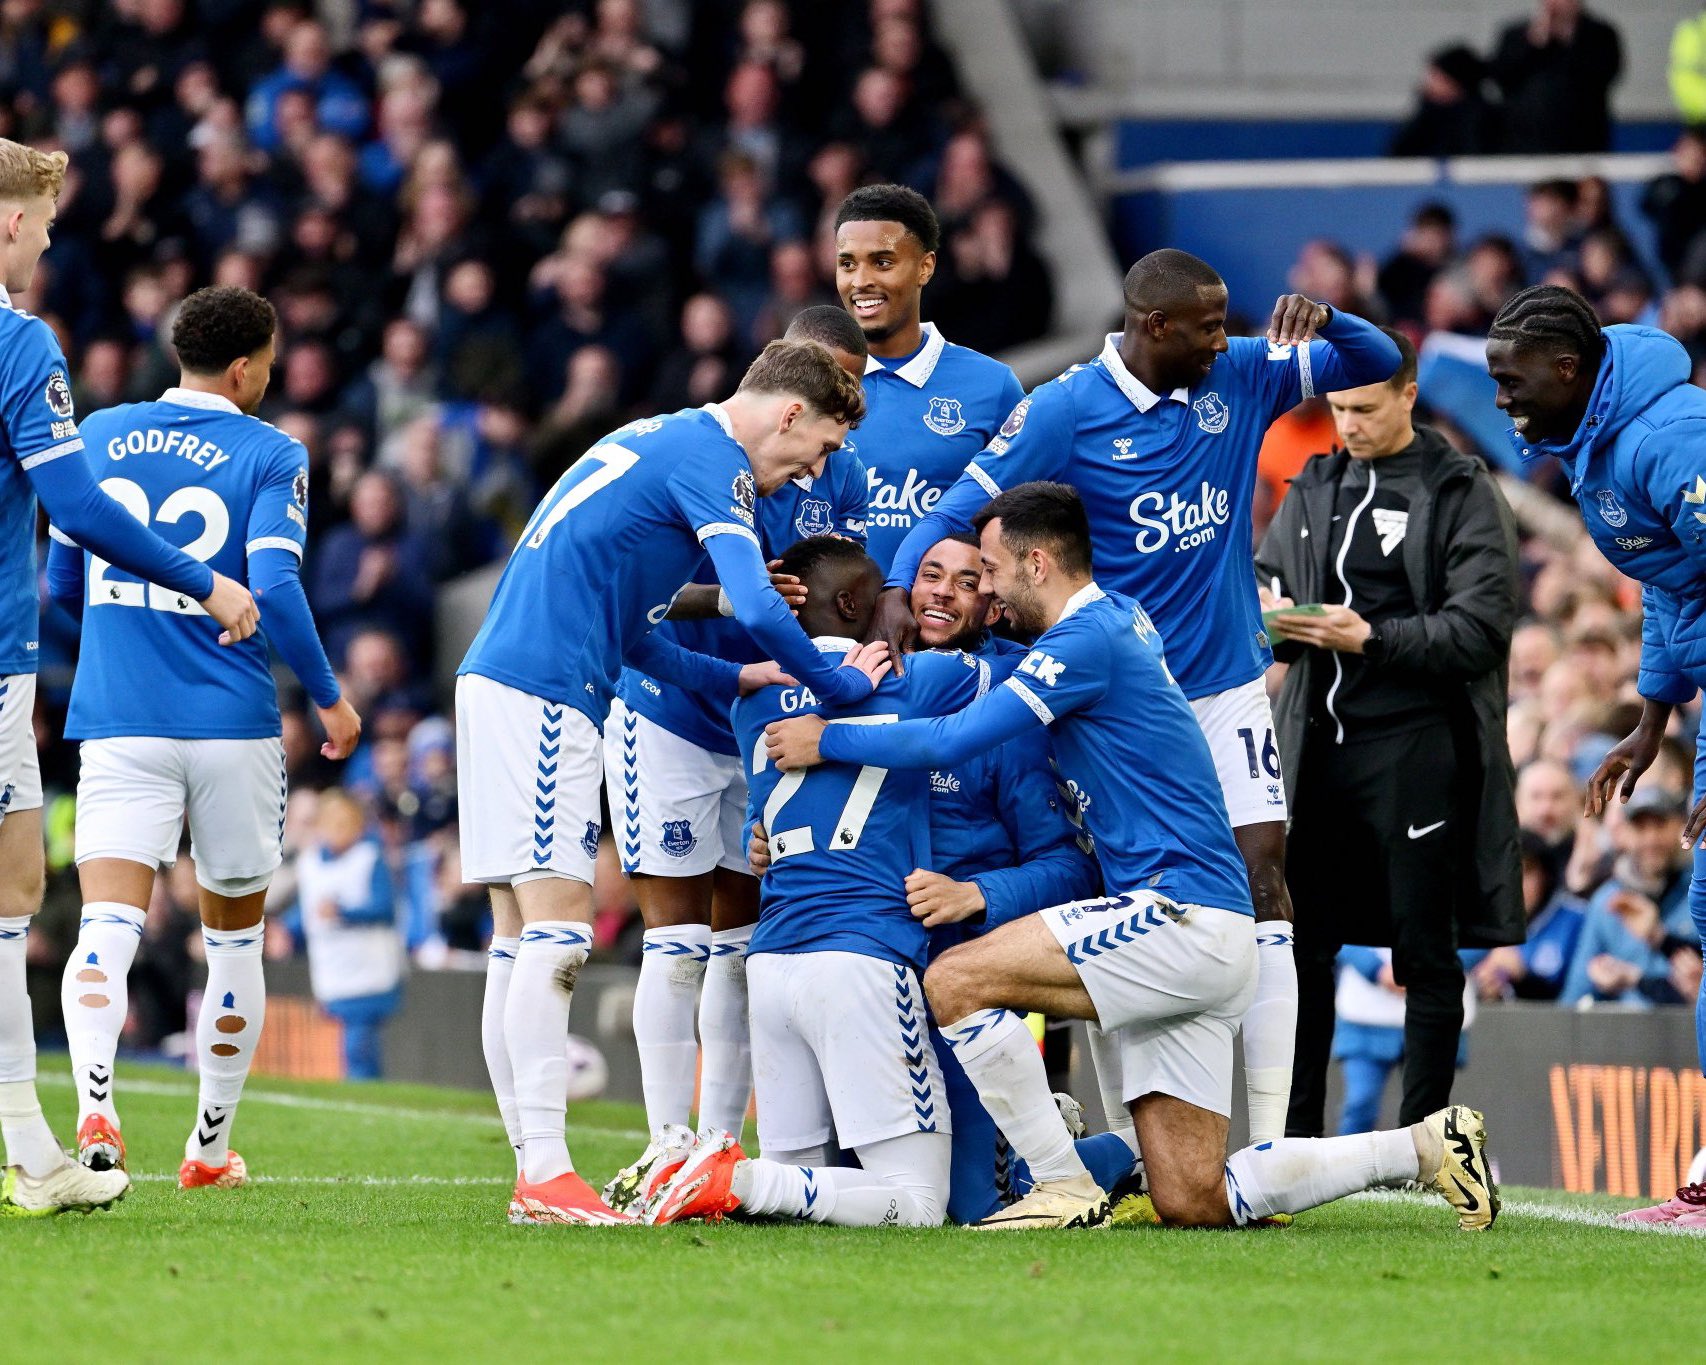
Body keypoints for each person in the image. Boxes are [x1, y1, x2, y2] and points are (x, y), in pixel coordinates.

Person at [763, 483, 1498, 1232]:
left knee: (956, 981)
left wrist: (827, 738)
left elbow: (953, 737)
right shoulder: (1118, 621)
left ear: (1038, 563)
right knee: (1194, 1196)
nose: (984, 588)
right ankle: (1425, 1145)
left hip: (1175, 909)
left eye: (989, 568)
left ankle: (1059, 1179)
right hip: (1203, 932)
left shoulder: (1084, 640)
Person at [871, 248, 1403, 1148]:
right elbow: (956, 509)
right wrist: (896, 588)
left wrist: (1331, 317)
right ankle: (1124, 1137)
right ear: (1155, 326)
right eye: (1206, 324)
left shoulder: (1236, 370)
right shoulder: (1066, 409)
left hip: (1228, 684)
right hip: (1120, 709)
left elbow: (1375, 360)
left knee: (1267, 884)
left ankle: (1273, 1141)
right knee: (1126, 903)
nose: (1222, 338)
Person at [458, 339, 889, 1227]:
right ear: (790, 413)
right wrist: (842, 687)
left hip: (503, 679)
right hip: (544, 691)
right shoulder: (714, 457)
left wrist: (730, 676)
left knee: (515, 935)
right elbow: (769, 605)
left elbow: (636, 627)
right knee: (558, 936)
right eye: (821, 447)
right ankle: (544, 1171)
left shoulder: (658, 438)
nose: (816, 468)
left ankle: (532, 1164)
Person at [47, 285, 361, 1189]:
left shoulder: (101, 434)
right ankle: (210, 1149)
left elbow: (63, 579)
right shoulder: (272, 451)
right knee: (232, 941)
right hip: (231, 726)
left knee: (108, 923)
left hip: (119, 715)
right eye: (268, 359)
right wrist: (331, 698)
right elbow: (277, 582)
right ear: (243, 367)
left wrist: (123, 633)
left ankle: (95, 1108)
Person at [0, 138, 257, 1217]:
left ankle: (36, 1149)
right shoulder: (20, 344)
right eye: (47, 224)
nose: (50, 242)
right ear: (10, 221)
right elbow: (83, 508)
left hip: (75, 691)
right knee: (12, 894)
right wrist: (206, 582)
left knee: (21, 892)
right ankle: (30, 1150)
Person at [745, 532, 1116, 1224]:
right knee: (844, 1187)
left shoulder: (1005, 713)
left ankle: (1118, 1149)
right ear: (896, 595)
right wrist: (758, 837)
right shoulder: (852, 692)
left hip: (961, 980)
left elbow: (1073, 867)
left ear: (994, 604)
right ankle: (1044, 1124)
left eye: (969, 580)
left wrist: (975, 894)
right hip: (866, 964)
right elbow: (767, 794)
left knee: (968, 1206)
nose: (943, 590)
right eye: (929, 574)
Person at [598, 307, 870, 1211]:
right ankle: (662, 1138)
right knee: (673, 943)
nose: (826, 437)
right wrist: (730, 591)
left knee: (739, 944)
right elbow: (633, 594)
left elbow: (850, 592)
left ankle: (717, 1144)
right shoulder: (704, 456)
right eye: (824, 390)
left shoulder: (841, 475)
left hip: (761, 725)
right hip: (670, 710)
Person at [645, 537, 993, 1228]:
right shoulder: (919, 680)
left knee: (808, 1191)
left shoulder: (754, 700)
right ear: (857, 604)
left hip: (772, 964)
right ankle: (737, 1180)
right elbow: (1018, 669)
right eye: (888, 593)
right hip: (862, 954)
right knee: (920, 1201)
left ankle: (732, 1173)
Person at [1254, 327, 1524, 1139]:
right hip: (1317, 752)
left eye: (1366, 408)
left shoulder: (1461, 488)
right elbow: (1262, 590)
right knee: (1301, 954)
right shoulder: (1313, 484)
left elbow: (1481, 628)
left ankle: (1425, 1147)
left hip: (1418, 749)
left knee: (1424, 953)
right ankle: (1291, 1141)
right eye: (1337, 409)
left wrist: (1368, 637)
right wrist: (1274, 620)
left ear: (1409, 394)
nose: (1350, 426)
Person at [1484, 282, 1706, 1222]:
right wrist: (1653, 720)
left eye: (1513, 378)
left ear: (1570, 371)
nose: (1502, 398)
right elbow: (1670, 586)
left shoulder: (1669, 440)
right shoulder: (1597, 446)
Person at [832, 184, 1024, 569]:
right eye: (848, 263)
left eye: (882, 262)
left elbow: (1021, 527)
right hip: (823, 627)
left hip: (945, 624)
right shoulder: (806, 383)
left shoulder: (992, 387)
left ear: (926, 267)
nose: (860, 281)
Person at [295, 789, 404, 1080]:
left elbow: (385, 908)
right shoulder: (309, 863)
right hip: (332, 969)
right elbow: (306, 911)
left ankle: (366, 1093)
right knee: (349, 1047)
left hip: (368, 971)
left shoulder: (369, 858)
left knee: (358, 1046)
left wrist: (343, 911)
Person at [1488, 0, 1623, 155]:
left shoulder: (1600, 34)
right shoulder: (1515, 35)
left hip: (1583, 143)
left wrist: (1569, 39)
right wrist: (1532, 44)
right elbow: (1500, 77)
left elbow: (1604, 74)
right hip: (1525, 143)